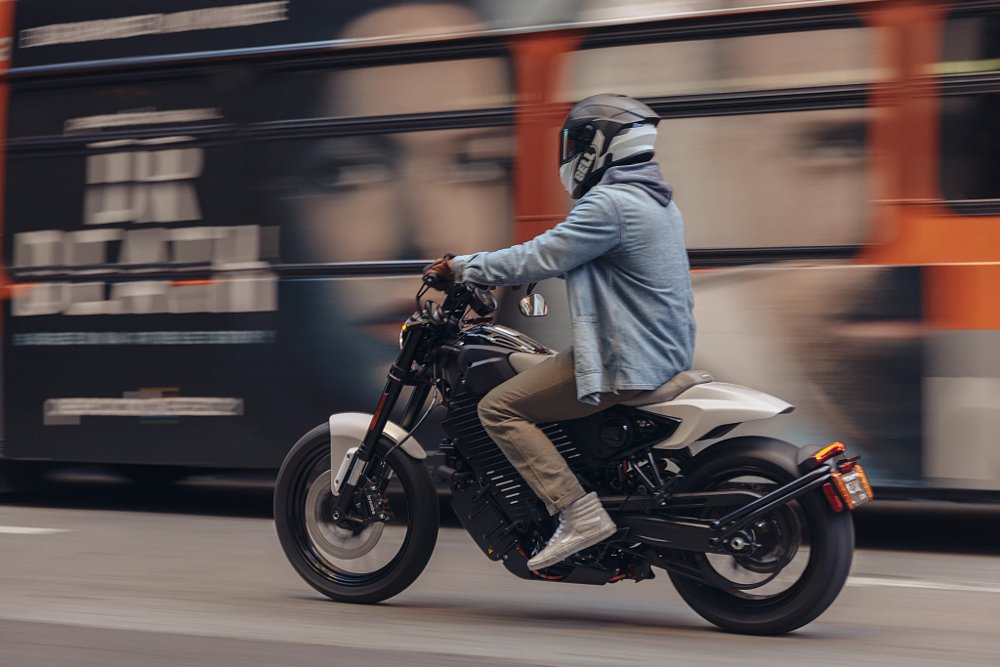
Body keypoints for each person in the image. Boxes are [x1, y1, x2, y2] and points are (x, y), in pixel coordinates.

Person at [423, 94, 695, 570]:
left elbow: (541, 255)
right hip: (659, 353)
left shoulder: (611, 204)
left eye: (575, 143)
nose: (569, 155)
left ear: (597, 147)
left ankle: (576, 511)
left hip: (624, 359)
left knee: (500, 407)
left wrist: (463, 268)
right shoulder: (656, 202)